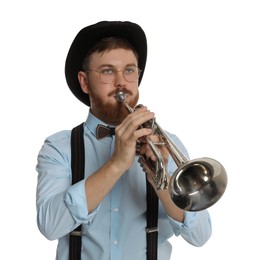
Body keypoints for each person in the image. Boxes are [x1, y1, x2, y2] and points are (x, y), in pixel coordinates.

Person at [36, 21, 212, 260]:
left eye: (129, 70)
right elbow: (50, 226)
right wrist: (116, 164)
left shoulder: (166, 143)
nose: (122, 82)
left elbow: (200, 235)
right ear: (84, 82)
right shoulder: (59, 147)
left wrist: (161, 178)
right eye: (108, 71)